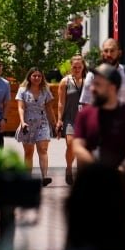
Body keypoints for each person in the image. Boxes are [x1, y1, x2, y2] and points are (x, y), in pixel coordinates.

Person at [72, 63, 125, 232]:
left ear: (112, 87)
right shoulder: (85, 115)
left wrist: (118, 172)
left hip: (120, 185)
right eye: (92, 84)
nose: (92, 89)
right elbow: (77, 146)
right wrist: (97, 170)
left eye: (98, 84)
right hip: (90, 183)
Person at [15, 67, 57, 186]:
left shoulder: (45, 90)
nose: (37, 78)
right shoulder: (23, 90)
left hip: (42, 122)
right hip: (27, 123)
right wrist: (22, 122)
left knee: (43, 149)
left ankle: (44, 176)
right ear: (29, 77)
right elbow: (21, 107)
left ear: (42, 77)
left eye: (39, 76)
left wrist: (54, 124)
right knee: (28, 152)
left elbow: (49, 108)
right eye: (34, 76)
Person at [80, 38, 125, 116]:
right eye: (106, 51)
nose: (109, 54)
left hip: (123, 125)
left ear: (119, 53)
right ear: (101, 53)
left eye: (112, 51)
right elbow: (86, 105)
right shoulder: (92, 76)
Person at [56, 55, 86, 185]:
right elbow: (61, 103)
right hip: (70, 118)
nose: (77, 69)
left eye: (79, 67)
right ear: (71, 67)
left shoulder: (89, 81)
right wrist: (59, 120)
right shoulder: (65, 82)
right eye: (75, 67)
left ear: (83, 67)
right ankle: (69, 168)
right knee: (71, 144)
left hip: (84, 120)